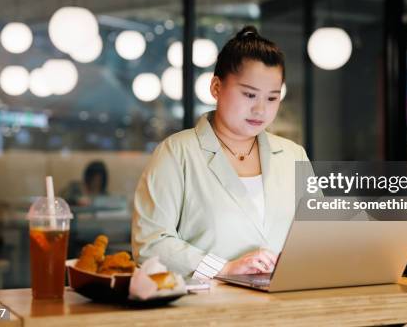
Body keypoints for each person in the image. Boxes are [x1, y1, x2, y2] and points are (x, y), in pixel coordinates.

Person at [132, 26, 309, 280]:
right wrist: (223, 268)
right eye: (249, 94)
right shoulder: (176, 152)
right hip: (207, 309)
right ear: (216, 87)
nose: (260, 109)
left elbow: (315, 236)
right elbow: (150, 243)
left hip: (285, 305)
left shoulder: (294, 155)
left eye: (272, 98)